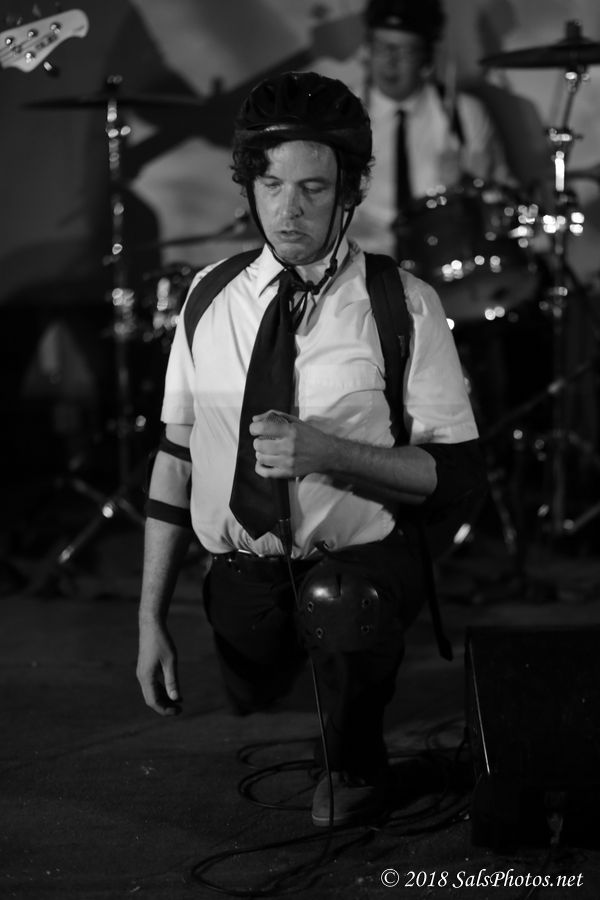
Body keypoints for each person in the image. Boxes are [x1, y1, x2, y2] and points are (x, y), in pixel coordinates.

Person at [136, 70, 484, 828]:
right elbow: (174, 458)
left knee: (343, 604)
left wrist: (331, 452)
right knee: (256, 679)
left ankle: (354, 759)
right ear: (248, 186)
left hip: (358, 562)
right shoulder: (208, 297)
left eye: (312, 188)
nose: (287, 209)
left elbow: (458, 477)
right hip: (245, 569)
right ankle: (272, 657)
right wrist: (148, 620)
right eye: (270, 184)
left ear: (349, 191)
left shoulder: (401, 303)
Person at [348, 0, 514, 259]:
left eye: (405, 51)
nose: (391, 61)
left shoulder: (463, 114)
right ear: (367, 50)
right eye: (382, 47)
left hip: (443, 258)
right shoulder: (342, 115)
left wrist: (472, 185)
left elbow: (504, 199)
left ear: (426, 59)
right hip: (363, 260)